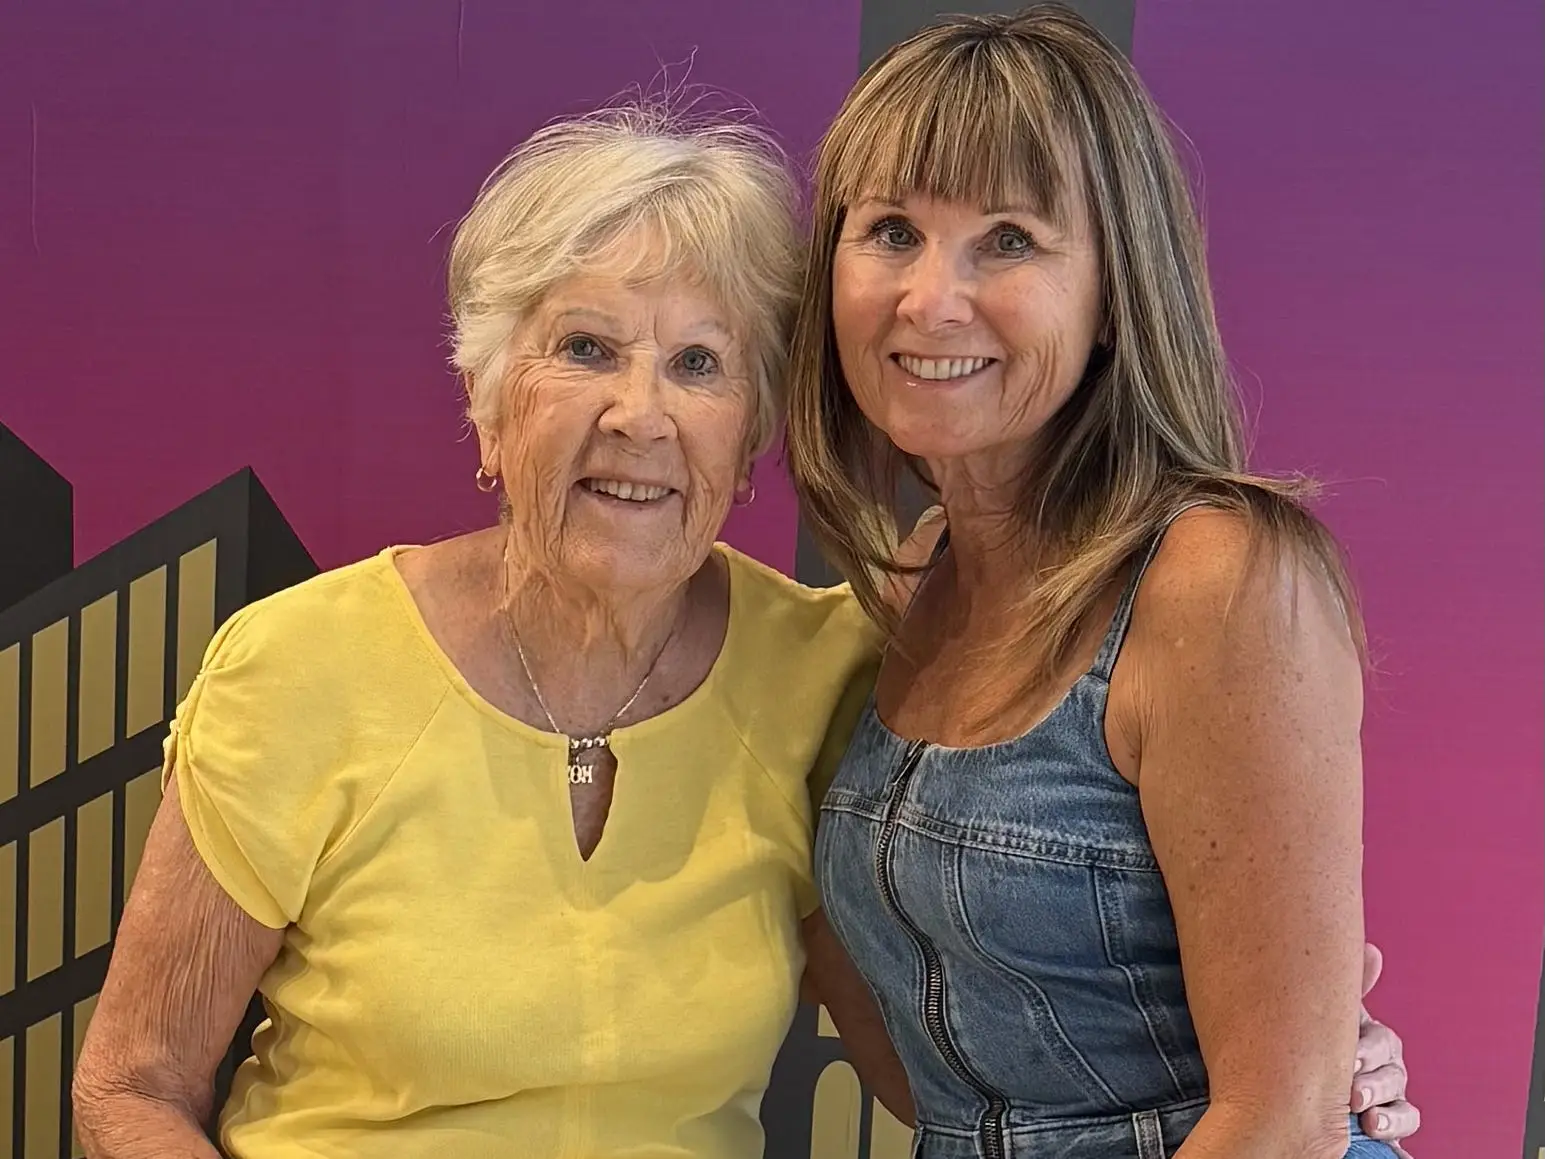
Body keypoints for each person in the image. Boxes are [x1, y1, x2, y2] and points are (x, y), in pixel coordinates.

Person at [71, 107, 1416, 1159]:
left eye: (699, 363)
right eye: (583, 348)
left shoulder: (825, 666)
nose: (641, 414)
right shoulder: (301, 666)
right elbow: (127, 1086)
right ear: (485, 397)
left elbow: (939, 1041)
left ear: (752, 431)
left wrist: (1303, 1052)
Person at [789, 6, 1418, 1159]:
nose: (930, 299)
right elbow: (942, 1085)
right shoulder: (916, 581)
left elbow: (1279, 1123)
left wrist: (1324, 1045)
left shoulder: (1218, 579)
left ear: (1115, 289)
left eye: (1009, 239)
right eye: (891, 230)